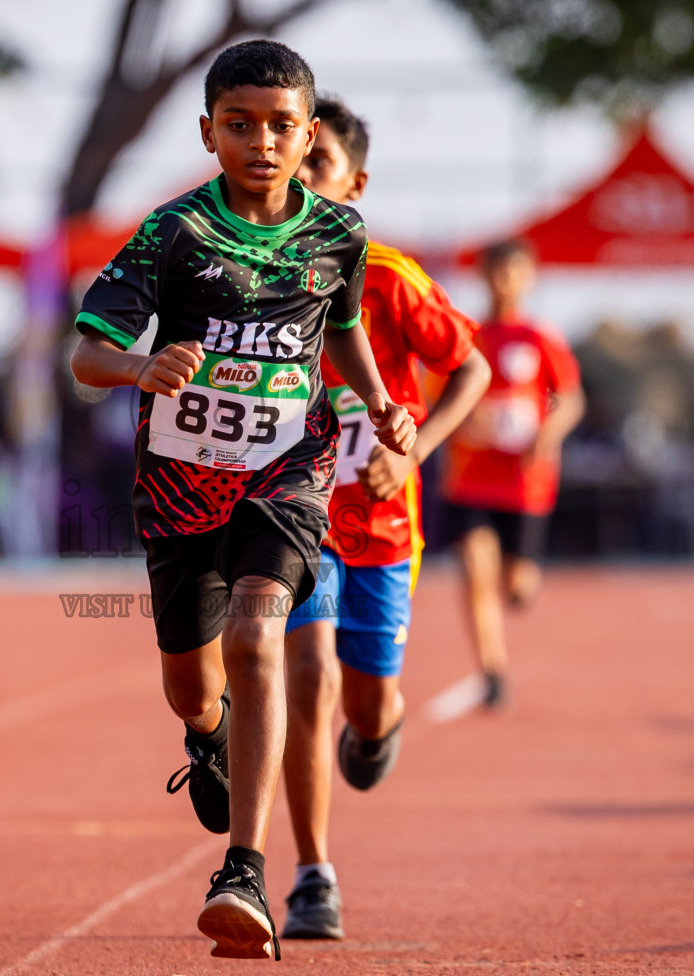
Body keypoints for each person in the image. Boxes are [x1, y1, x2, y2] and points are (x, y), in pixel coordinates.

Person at [69, 40, 416, 961]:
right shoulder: (172, 232)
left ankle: (247, 870)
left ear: (309, 136)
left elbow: (340, 328)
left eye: (280, 126)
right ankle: (211, 737)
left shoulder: (338, 236)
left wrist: (377, 401)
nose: (261, 142)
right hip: (182, 490)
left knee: (260, 635)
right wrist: (144, 363)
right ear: (209, 132)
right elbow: (86, 352)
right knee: (192, 685)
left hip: (287, 473)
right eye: (240, 125)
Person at [279, 97, 490, 940]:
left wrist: (417, 448)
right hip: (291, 524)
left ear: (355, 183)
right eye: (292, 157)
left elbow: (469, 369)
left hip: (382, 531)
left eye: (317, 161)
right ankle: (312, 876)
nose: (297, 174)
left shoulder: (393, 280)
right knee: (306, 678)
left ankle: (379, 726)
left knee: (363, 707)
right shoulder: (251, 277)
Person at [440, 239, 584, 709]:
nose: (505, 281)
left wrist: (547, 434)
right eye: (497, 272)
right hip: (472, 479)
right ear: (483, 277)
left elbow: (569, 399)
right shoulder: (466, 337)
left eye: (515, 272)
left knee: (516, 586)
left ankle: (521, 577)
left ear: (529, 278)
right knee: (476, 573)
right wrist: (464, 419)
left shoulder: (540, 338)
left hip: (525, 481)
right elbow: (435, 396)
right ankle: (493, 670)